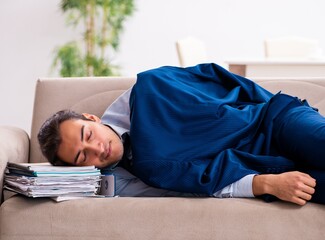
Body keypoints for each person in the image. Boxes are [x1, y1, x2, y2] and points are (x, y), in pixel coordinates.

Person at [38, 63, 325, 206]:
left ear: (92, 118)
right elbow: (192, 186)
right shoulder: (128, 180)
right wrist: (267, 184)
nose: (96, 149)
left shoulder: (149, 88)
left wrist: (262, 107)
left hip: (278, 122)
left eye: (88, 135)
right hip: (261, 164)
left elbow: (215, 78)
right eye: (82, 157)